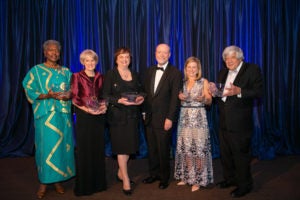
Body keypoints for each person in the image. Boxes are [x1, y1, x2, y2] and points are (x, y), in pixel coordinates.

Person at [22, 40, 75, 199]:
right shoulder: (36, 71)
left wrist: (69, 95)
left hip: (63, 115)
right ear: (45, 53)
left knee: (62, 147)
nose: (54, 53)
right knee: (46, 149)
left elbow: (74, 89)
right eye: (50, 50)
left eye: (57, 50)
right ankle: (44, 182)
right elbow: (28, 88)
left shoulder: (66, 71)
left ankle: (58, 180)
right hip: (46, 117)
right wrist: (47, 95)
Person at [210, 45, 263, 198]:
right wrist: (214, 92)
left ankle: (245, 185)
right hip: (224, 121)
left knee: (241, 156)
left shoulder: (252, 69)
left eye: (232, 57)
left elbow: (259, 92)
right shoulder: (222, 72)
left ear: (240, 58)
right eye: (226, 58)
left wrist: (240, 91)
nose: (229, 60)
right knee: (226, 154)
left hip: (240, 123)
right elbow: (222, 95)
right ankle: (230, 179)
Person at [102, 47, 144, 196]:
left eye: (127, 57)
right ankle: (125, 179)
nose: (125, 60)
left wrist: (141, 98)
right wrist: (118, 100)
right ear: (116, 59)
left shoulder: (135, 74)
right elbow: (105, 95)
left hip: (132, 116)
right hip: (117, 117)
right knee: (121, 148)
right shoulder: (111, 74)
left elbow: (142, 91)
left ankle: (120, 172)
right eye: (121, 57)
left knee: (130, 147)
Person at [142, 43, 182, 189]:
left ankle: (164, 178)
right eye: (159, 52)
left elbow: (174, 99)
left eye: (165, 53)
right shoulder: (149, 70)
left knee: (163, 149)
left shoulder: (175, 73)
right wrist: (143, 113)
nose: (162, 55)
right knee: (151, 148)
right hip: (149, 118)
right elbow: (146, 94)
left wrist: (170, 118)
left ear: (170, 55)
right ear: (155, 54)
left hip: (165, 119)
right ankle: (154, 174)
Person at [174, 56, 213, 192]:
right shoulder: (181, 83)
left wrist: (204, 99)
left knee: (199, 149)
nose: (191, 70)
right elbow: (176, 100)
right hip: (184, 118)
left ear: (198, 69)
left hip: (198, 119)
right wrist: (178, 98)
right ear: (185, 69)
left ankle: (198, 179)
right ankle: (188, 176)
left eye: (194, 67)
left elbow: (209, 100)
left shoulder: (203, 81)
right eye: (189, 67)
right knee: (186, 149)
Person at [71, 49, 107, 196]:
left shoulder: (100, 76)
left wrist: (104, 106)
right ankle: (85, 186)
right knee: (85, 149)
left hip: (98, 116)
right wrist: (87, 110)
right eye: (87, 60)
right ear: (82, 62)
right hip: (84, 116)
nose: (90, 63)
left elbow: (103, 96)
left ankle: (98, 184)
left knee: (97, 149)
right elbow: (74, 98)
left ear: (96, 62)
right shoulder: (76, 76)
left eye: (92, 60)